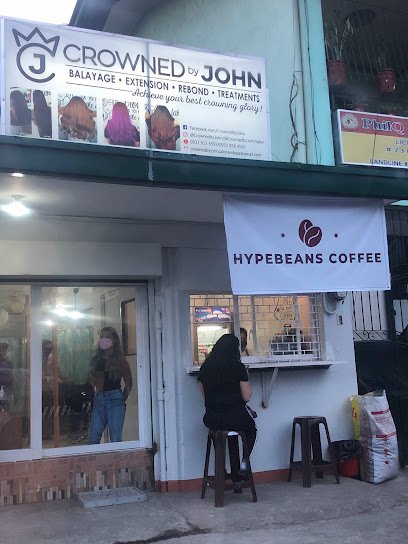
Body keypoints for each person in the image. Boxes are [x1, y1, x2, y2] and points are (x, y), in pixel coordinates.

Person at [197, 334, 256, 480]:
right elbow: (247, 397)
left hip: (212, 418)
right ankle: (243, 466)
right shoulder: (238, 367)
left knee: (219, 434)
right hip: (236, 417)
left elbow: (205, 395)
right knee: (251, 430)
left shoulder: (205, 368)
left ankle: (221, 470)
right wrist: (246, 375)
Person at [88, 326, 132, 444]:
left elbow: (128, 381)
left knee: (115, 438)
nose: (104, 339)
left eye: (107, 337)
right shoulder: (96, 359)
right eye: (101, 337)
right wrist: (96, 391)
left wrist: (121, 399)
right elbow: (92, 378)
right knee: (93, 437)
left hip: (115, 397)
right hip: (99, 398)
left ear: (114, 340)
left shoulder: (119, 359)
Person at [0, 343, 13, 410]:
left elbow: (11, 376)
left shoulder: (9, 363)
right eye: (8, 351)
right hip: (3, 388)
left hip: (7, 390)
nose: (10, 353)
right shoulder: (5, 363)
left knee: (7, 408)